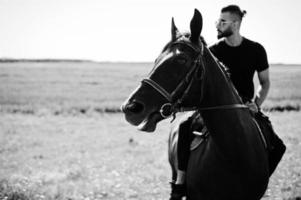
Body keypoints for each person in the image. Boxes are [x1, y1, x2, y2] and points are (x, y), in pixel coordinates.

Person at [169, 5, 286, 200]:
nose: (218, 25)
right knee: (184, 126)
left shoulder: (256, 50)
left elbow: (264, 83)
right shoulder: (213, 51)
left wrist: (256, 104)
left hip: (246, 107)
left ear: (236, 23)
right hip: (214, 108)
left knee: (278, 146)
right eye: (218, 20)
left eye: (223, 21)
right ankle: (180, 183)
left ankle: (257, 183)